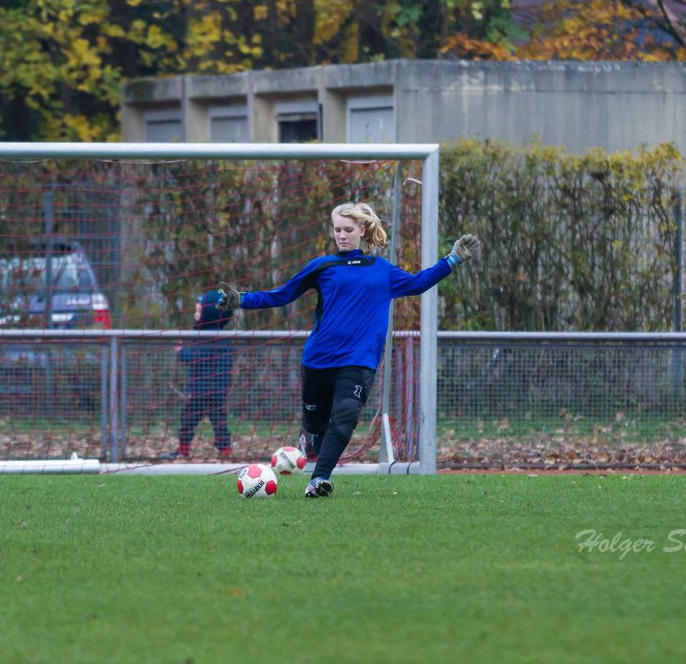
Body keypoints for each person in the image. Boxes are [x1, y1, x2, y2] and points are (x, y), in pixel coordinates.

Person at [217, 202, 481, 497]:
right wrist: (241, 299)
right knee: (315, 424)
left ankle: (318, 480)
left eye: (348, 229)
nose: (342, 235)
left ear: (363, 230)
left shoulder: (382, 271)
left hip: (359, 359)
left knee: (345, 416)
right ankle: (311, 442)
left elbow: (419, 283)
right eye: (337, 229)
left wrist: (453, 259)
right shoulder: (322, 266)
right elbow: (282, 295)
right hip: (318, 359)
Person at [170, 290, 235, 460]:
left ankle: (184, 449)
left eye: (199, 311)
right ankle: (224, 449)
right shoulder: (221, 338)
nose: (195, 314)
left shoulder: (209, 337)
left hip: (201, 392)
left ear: (209, 314)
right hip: (217, 393)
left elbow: (196, 357)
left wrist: (181, 352)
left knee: (188, 420)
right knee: (219, 422)